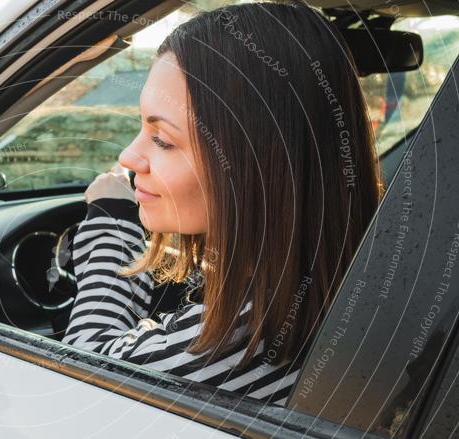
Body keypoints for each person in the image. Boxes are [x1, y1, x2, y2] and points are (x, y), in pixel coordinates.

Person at [62, 1, 381, 405]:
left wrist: (112, 222)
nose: (128, 156)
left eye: (163, 140)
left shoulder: (241, 338)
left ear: (258, 166)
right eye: (142, 127)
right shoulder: (354, 281)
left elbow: (80, 371)